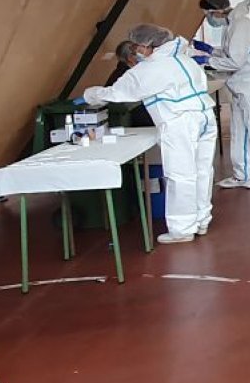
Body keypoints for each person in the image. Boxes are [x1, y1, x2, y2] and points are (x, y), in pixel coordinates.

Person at [83, 25, 217, 244]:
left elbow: (118, 92)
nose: (135, 51)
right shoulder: (184, 59)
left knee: (180, 174)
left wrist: (92, 94)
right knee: (202, 170)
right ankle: (201, 219)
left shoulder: (151, 68)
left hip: (179, 121)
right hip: (204, 117)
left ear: (146, 46)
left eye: (136, 46)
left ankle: (182, 229)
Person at [195, 0, 250, 189]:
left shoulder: (241, 25)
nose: (208, 19)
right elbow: (231, 52)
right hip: (243, 85)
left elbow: (235, 60)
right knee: (240, 130)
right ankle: (242, 173)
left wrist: (207, 61)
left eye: (207, 14)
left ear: (216, 11)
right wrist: (210, 50)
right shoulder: (232, 25)